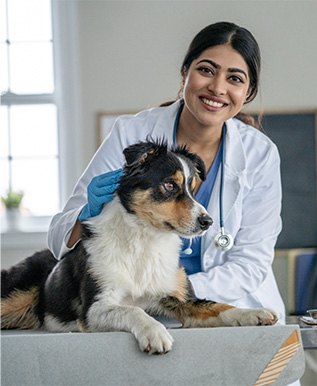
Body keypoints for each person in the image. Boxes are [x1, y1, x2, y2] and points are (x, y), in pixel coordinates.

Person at [48, 22, 286, 323]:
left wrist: (167, 296)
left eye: (234, 78)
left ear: (248, 92)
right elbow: (58, 238)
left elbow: (251, 264)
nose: (217, 88)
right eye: (206, 70)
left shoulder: (260, 155)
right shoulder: (131, 133)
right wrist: (86, 212)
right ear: (185, 72)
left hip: (224, 308)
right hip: (132, 312)